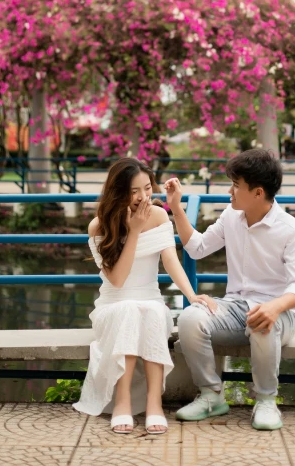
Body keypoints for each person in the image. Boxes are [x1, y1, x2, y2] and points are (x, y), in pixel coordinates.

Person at [165, 148, 295, 431]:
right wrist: (177, 209)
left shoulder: (292, 230)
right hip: (234, 307)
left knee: (262, 322)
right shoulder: (232, 216)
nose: (230, 192)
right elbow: (197, 248)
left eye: (236, 186)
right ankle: (211, 396)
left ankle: (267, 400)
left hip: (280, 313)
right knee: (190, 317)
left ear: (257, 192)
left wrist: (274, 307)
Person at [72, 157, 214, 435]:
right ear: (118, 191)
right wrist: (134, 230)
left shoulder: (160, 216)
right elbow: (117, 279)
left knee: (149, 311)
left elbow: (172, 262)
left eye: (147, 188)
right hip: (113, 304)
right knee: (128, 311)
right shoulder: (98, 226)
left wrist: (192, 295)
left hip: (150, 300)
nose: (142, 197)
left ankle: (154, 404)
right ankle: (122, 402)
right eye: (134, 190)